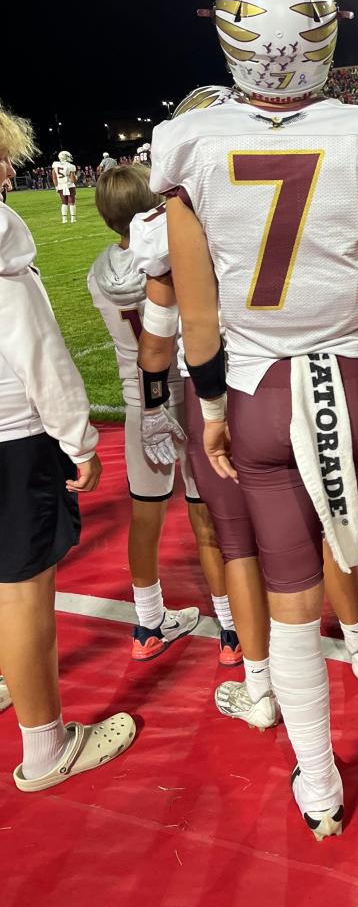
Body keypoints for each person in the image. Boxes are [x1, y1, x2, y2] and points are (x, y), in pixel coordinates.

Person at [152, 0, 358, 840]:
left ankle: (322, 782)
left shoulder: (191, 143)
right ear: (326, 32)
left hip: (256, 390)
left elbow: (198, 321)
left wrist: (210, 410)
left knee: (291, 602)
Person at [129, 110, 358, 732]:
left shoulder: (165, 227)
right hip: (287, 377)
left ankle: (262, 688)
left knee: (239, 544)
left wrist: (156, 402)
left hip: (217, 390)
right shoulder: (258, 181)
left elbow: (160, 341)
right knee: (325, 518)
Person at [0, 102, 135, 789]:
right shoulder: (6, 262)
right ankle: (46, 746)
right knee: (23, 592)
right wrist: (79, 441)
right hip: (12, 437)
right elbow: (42, 362)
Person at [88, 163, 231, 662]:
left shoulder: (97, 274)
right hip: (188, 396)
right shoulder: (172, 260)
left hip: (138, 402)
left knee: (144, 518)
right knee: (205, 515)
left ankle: (148, 623)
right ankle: (231, 632)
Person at [50, 150, 78, 223]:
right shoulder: (70, 166)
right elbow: (72, 180)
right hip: (69, 185)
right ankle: (73, 219)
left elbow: (54, 177)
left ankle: (64, 219)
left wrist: (56, 186)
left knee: (64, 202)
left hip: (60, 185)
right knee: (71, 202)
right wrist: (75, 177)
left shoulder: (55, 165)